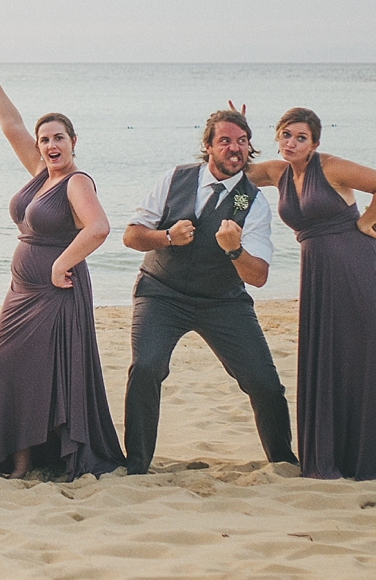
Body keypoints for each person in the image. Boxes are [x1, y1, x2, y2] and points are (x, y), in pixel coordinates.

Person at [247, 107, 376, 480]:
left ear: (315, 144)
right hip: (319, 275)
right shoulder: (277, 173)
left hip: (359, 269)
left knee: (364, 357)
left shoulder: (330, 167)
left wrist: (363, 221)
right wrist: (239, 129)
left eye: (301, 138)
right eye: (286, 135)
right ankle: (336, 455)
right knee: (332, 358)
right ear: (277, 137)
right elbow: (238, 175)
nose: (292, 143)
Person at [120, 108, 296, 473]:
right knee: (147, 366)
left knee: (264, 382)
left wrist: (234, 249)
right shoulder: (175, 178)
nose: (235, 148)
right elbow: (132, 235)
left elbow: (258, 275)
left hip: (222, 301)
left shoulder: (250, 200)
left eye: (242, 142)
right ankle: (136, 465)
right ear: (208, 146)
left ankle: (283, 461)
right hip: (161, 292)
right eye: (226, 141)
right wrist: (166, 237)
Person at [0, 56, 125, 479]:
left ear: (74, 141)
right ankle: (20, 462)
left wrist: (61, 263)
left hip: (57, 294)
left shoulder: (77, 182)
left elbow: (98, 227)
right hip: (22, 293)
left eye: (59, 137)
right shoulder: (41, 173)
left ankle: (49, 459)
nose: (50, 145)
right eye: (45, 139)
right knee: (11, 366)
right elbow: (11, 125)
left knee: (47, 375)